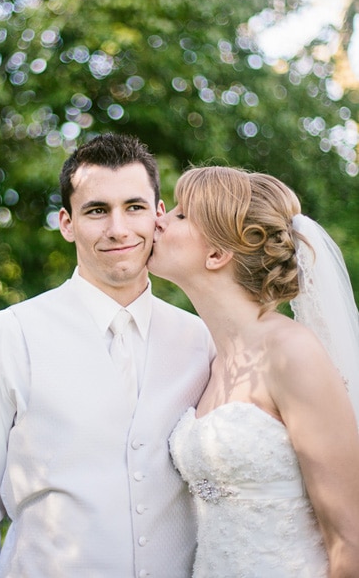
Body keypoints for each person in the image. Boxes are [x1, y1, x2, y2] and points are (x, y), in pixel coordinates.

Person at [0, 133, 215, 577]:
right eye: (97, 210)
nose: (118, 228)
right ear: (67, 223)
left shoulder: (200, 339)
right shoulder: (5, 337)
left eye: (134, 207)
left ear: (159, 215)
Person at [150, 166, 359, 576]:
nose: (158, 217)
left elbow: (350, 539)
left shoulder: (291, 353)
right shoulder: (211, 359)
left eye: (178, 215)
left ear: (216, 254)